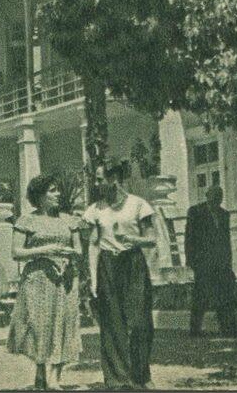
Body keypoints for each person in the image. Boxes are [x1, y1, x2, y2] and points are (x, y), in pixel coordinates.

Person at [83, 162, 157, 390]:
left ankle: (140, 375)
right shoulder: (95, 209)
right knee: (112, 325)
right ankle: (117, 380)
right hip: (107, 265)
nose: (96, 184)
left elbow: (151, 239)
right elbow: (93, 245)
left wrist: (132, 240)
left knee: (140, 322)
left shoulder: (138, 205)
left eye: (99, 179)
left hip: (133, 264)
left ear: (113, 179)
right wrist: (93, 277)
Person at [7, 175, 83, 391]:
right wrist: (45, 250)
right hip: (37, 279)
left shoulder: (69, 220)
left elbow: (79, 250)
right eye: (52, 190)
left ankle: (55, 377)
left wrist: (69, 254)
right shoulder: (26, 221)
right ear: (39, 195)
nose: (58, 194)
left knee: (64, 323)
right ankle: (40, 372)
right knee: (39, 325)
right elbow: (16, 252)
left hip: (64, 278)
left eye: (58, 190)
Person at [184, 185, 237, 337]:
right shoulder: (195, 212)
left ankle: (228, 329)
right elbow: (189, 238)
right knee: (200, 296)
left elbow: (226, 241)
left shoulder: (224, 214)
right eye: (214, 197)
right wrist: (191, 261)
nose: (217, 200)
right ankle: (195, 330)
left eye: (219, 197)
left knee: (224, 296)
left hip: (221, 263)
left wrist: (228, 262)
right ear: (207, 196)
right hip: (202, 262)